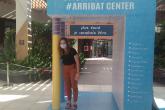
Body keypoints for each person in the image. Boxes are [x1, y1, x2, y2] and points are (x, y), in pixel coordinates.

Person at [59, 37, 80, 110]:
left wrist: (78, 73)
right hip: (65, 69)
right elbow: (59, 61)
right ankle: (68, 102)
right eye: (61, 43)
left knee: (74, 86)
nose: (62, 44)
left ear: (67, 43)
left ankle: (75, 103)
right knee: (67, 86)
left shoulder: (72, 50)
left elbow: (77, 61)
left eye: (64, 43)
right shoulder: (61, 52)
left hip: (73, 69)